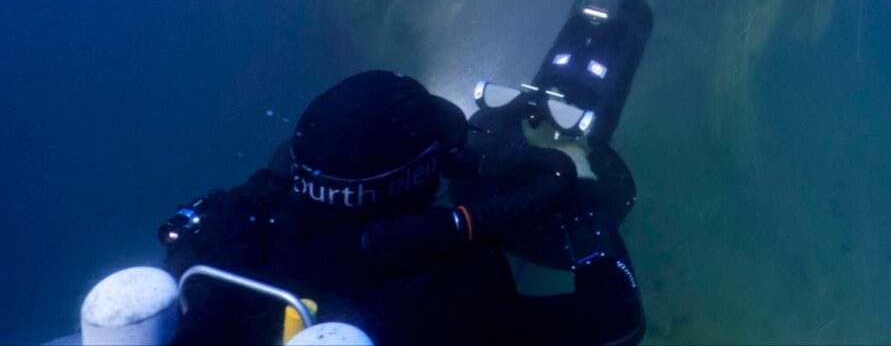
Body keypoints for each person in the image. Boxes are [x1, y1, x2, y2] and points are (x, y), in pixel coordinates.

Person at [162, 69, 644, 346]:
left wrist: (481, 158)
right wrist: (586, 213)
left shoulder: (237, 230)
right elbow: (616, 320)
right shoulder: (441, 297)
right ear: (415, 175)